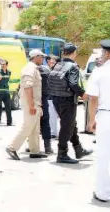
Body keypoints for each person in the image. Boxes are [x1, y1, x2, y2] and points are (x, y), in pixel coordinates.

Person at [48, 43, 93, 164]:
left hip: (57, 99)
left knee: (71, 124)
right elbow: (73, 84)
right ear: (74, 53)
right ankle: (62, 154)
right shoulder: (73, 66)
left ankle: (79, 150)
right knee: (67, 127)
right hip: (67, 100)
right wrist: (82, 94)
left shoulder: (58, 64)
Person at [6, 49, 48, 160]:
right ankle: (12, 147)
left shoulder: (33, 68)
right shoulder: (30, 68)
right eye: (41, 57)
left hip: (34, 102)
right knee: (28, 126)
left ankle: (35, 150)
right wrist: (31, 105)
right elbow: (27, 87)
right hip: (30, 102)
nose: (43, 59)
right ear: (35, 57)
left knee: (34, 128)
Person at [87, 40, 110, 203]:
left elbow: (93, 98)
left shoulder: (100, 72)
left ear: (108, 54)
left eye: (103, 52)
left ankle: (102, 193)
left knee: (105, 156)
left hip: (106, 115)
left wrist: (91, 119)